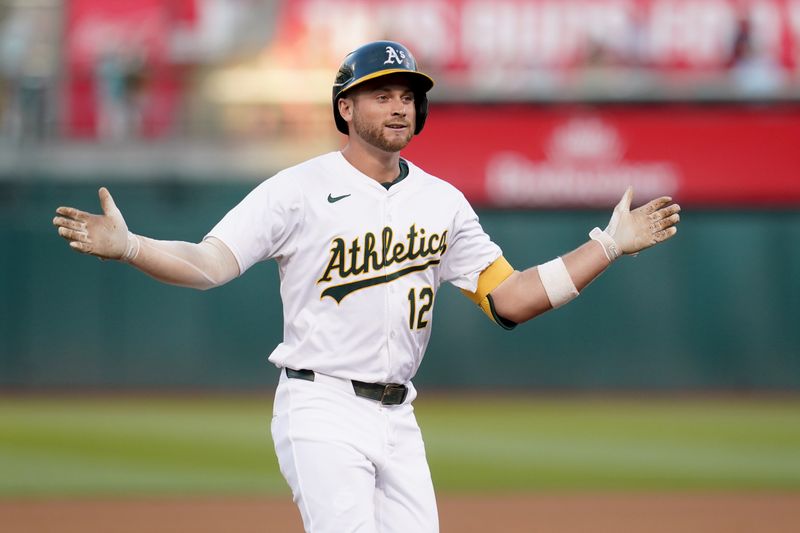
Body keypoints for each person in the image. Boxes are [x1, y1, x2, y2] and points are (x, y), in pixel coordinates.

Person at [53, 41, 680, 533]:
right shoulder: (295, 189)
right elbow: (209, 263)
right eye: (380, 94)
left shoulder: (443, 202)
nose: (399, 104)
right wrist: (131, 246)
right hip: (319, 404)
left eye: (407, 93)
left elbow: (508, 297)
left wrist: (606, 247)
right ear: (345, 109)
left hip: (398, 415)